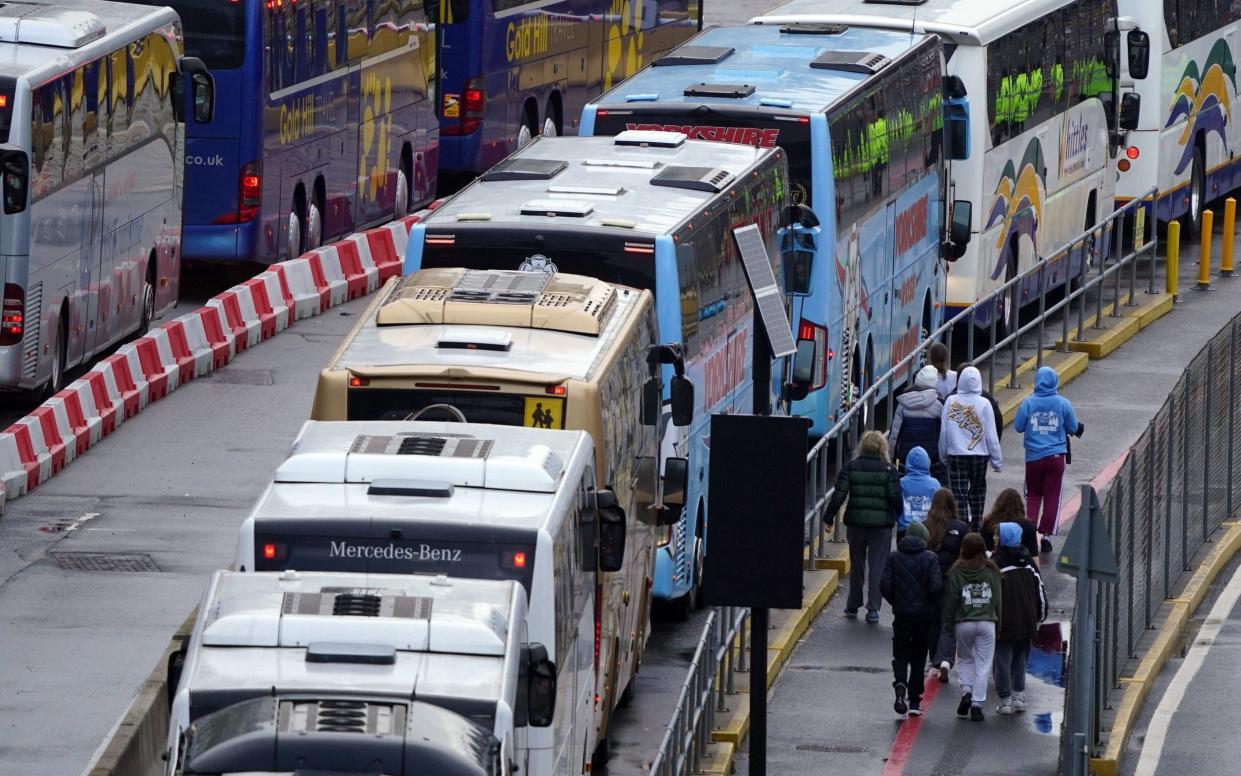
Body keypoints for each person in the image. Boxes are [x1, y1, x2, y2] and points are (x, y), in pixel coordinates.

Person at [825, 430, 904, 624]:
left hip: (856, 523)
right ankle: (873, 609)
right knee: (877, 566)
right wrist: (894, 515)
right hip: (881, 526)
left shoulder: (851, 467)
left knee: (857, 564)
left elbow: (839, 494)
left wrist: (828, 518)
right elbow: (896, 499)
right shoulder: (889, 470)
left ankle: (853, 605)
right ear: (882, 448)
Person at [1014, 366, 1083, 553]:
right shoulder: (1063, 403)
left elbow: (1018, 426)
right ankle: (1046, 535)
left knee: (1033, 494)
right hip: (1055, 457)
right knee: (1053, 496)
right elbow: (1073, 426)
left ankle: (1029, 532)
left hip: (1033, 457)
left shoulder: (1028, 403)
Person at [880, 520, 942, 718]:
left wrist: (896, 602)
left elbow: (884, 585)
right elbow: (935, 587)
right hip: (923, 617)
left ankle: (900, 684)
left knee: (900, 654)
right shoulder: (931, 558)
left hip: (902, 616)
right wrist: (930, 605)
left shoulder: (894, 557)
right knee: (918, 657)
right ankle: (914, 700)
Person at [942, 533, 1002, 721]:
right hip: (987, 622)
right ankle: (977, 704)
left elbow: (951, 600)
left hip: (964, 622)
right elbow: (998, 599)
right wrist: (998, 622)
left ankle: (966, 691)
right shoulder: (992, 570)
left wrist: (947, 623)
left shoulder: (957, 571)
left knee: (965, 658)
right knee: (983, 664)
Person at [993, 522, 1047, 715]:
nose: (995, 539)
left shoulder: (996, 562)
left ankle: (1005, 699)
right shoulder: (1028, 562)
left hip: (1004, 621)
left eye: (997, 535)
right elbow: (1039, 589)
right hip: (1026, 619)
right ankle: (1019, 696)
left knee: (1002, 660)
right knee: (1020, 659)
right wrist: (1040, 616)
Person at [939, 366, 1003, 529]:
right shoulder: (985, 404)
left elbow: (944, 431)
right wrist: (997, 460)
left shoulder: (951, 401)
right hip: (979, 455)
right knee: (977, 491)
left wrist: (943, 455)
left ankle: (960, 528)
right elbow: (991, 434)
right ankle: (976, 525)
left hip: (956, 453)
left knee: (958, 494)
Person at [925, 488, 969, 683]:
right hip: (953, 580)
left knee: (932, 621)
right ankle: (945, 660)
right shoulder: (961, 527)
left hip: (931, 580)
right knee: (949, 621)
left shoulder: (926, 526)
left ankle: (934, 658)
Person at [889, 365, 944, 477]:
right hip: (932, 460)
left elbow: (894, 434)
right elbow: (945, 433)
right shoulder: (939, 405)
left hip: (907, 458)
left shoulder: (903, 403)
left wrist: (891, 457)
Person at [980, 488, 1040, 560]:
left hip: (995, 565)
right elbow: (1034, 556)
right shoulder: (1028, 526)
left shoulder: (989, 523)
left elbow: (983, 552)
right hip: (1021, 566)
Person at [897, 446, 940, 541]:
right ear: (927, 462)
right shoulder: (935, 484)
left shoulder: (900, 482)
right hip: (927, 530)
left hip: (904, 529)